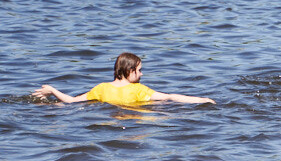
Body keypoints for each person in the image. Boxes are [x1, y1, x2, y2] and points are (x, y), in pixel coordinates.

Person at [32, 52, 215, 106]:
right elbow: (171, 97)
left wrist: (53, 91)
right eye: (139, 71)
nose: (142, 74)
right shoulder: (139, 90)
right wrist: (202, 100)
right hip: (135, 120)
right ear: (129, 71)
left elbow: (71, 101)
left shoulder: (101, 88)